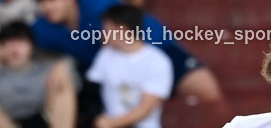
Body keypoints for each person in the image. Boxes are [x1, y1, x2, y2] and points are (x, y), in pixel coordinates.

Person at [32, 0, 222, 101]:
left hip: (157, 49)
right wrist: (59, 63)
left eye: (52, 0)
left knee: (206, 88)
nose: (46, 7)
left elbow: (132, 26)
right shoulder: (42, 28)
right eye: (41, 2)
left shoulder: (99, 6)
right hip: (109, 75)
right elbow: (27, 54)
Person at [84, 3, 176, 128]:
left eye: (107, 27)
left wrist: (112, 123)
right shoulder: (105, 55)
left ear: (121, 29)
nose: (102, 32)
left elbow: (146, 107)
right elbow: (90, 92)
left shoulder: (157, 61)